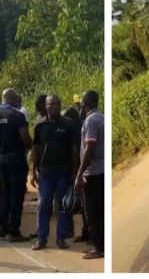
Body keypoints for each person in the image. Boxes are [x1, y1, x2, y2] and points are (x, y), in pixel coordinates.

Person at [31, 94, 78, 250]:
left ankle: (61, 238)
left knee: (62, 206)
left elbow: (74, 149)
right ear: (45, 106)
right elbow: (36, 149)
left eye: (56, 104)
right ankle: (41, 239)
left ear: (60, 105)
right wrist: (33, 170)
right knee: (43, 204)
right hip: (45, 173)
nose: (53, 107)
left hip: (64, 172)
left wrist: (75, 171)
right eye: (50, 104)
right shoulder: (39, 125)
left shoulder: (68, 124)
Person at [0, 88, 32, 242]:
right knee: (17, 195)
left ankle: (1, 224)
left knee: (5, 192)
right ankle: (13, 231)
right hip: (16, 159)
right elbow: (25, 138)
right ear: (12, 99)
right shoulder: (17, 116)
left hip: (1, 159)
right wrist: (31, 146)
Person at [75, 90, 104, 259]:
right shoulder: (102, 117)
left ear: (84, 105)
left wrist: (79, 174)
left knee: (92, 213)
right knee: (100, 210)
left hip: (92, 173)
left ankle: (97, 248)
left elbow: (89, 148)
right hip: (102, 171)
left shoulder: (91, 120)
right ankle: (100, 244)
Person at [63, 105, 89, 243]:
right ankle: (86, 232)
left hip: (80, 168)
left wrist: (76, 172)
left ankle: (90, 234)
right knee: (84, 203)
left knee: (85, 203)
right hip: (82, 168)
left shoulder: (75, 128)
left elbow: (76, 151)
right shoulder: (81, 124)